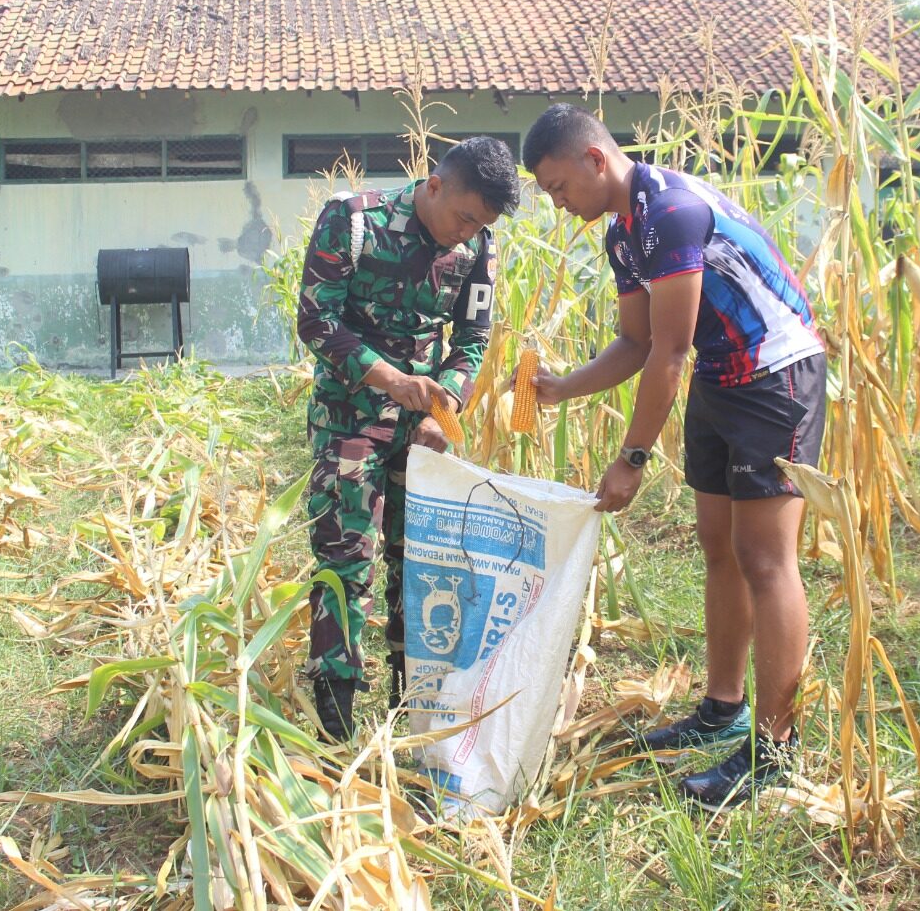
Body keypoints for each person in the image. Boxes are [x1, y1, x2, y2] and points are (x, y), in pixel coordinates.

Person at [521, 105, 826, 806]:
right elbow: (634, 344)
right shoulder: (624, 236)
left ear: (597, 160)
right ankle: (723, 708)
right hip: (723, 379)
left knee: (765, 558)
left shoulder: (673, 214)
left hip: (775, 375)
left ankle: (777, 748)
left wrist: (632, 456)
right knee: (718, 546)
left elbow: (670, 350)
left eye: (559, 186)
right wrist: (560, 389)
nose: (559, 204)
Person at [295, 136, 521, 741]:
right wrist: (390, 378)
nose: (467, 233)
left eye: (482, 225)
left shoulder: (479, 246)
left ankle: (410, 705)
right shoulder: (355, 220)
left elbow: (472, 341)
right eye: (465, 217)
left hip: (422, 425)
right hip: (351, 414)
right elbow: (317, 319)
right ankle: (335, 721)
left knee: (419, 557)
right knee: (345, 557)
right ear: (436, 184)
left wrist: (442, 404)